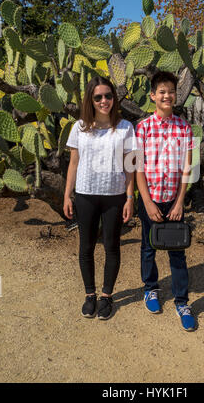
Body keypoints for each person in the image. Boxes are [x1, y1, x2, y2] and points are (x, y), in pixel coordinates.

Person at [64, 75, 136, 320]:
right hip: (85, 194)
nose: (104, 100)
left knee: (112, 247)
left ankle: (106, 296)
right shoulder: (80, 127)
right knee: (85, 247)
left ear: (114, 98)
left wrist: (130, 198)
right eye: (98, 97)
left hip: (114, 196)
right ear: (90, 100)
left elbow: (130, 167)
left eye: (108, 95)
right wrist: (67, 195)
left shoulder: (126, 127)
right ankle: (90, 295)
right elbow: (73, 163)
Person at [135, 71, 196, 331]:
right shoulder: (142, 128)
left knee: (177, 253)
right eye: (161, 91)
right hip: (150, 199)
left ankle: (182, 302)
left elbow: (188, 169)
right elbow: (137, 169)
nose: (167, 95)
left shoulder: (185, 128)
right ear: (153, 95)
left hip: (174, 201)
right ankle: (151, 288)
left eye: (171, 91)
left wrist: (180, 202)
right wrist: (147, 203)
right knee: (148, 248)